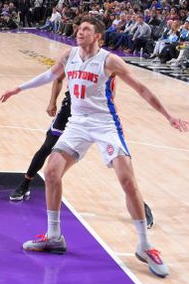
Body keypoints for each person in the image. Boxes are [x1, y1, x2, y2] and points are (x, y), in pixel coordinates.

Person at [0, 15, 189, 278]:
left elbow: (142, 89)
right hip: (77, 123)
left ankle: (145, 245)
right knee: (52, 171)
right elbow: (49, 75)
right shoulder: (69, 55)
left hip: (105, 124)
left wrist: (169, 116)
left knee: (127, 181)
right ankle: (54, 236)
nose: (79, 32)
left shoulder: (110, 61)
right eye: (79, 28)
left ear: (98, 36)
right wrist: (17, 88)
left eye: (86, 29)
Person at [8, 71, 155, 229]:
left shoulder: (108, 61)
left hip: (98, 116)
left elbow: (112, 88)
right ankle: (25, 183)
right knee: (47, 147)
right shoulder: (74, 57)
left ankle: (140, 205)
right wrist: (52, 101)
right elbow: (57, 78)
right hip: (71, 109)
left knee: (121, 164)